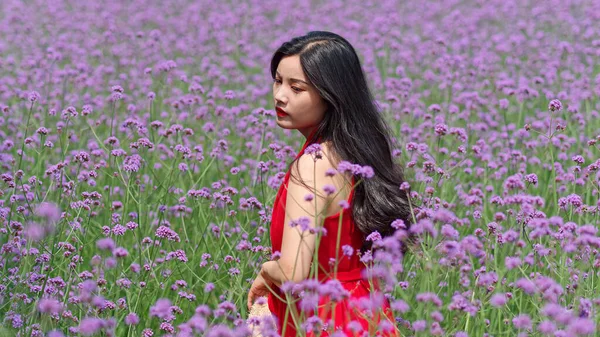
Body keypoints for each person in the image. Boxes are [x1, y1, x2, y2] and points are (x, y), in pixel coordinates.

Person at [247, 31, 413, 337]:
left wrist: (265, 272)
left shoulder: (312, 164)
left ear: (332, 95)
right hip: (367, 312)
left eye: (296, 88)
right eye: (278, 80)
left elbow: (293, 273)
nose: (280, 96)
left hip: (321, 318)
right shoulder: (357, 152)